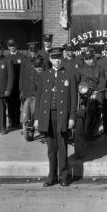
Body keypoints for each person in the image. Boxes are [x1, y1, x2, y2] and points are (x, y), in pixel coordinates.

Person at [34, 47, 77, 187]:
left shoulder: (69, 74)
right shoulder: (45, 75)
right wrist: (36, 118)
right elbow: (39, 98)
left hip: (62, 115)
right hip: (47, 115)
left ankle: (64, 176)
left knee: (62, 146)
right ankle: (51, 177)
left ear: (61, 59)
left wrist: (72, 117)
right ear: (50, 59)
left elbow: (73, 98)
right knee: (51, 148)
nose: (57, 60)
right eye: (54, 58)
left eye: (59, 58)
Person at [76, 49, 106, 139]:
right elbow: (77, 82)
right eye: (87, 59)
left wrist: (97, 91)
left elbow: (102, 82)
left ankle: (94, 131)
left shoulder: (100, 69)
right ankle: (82, 129)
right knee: (82, 111)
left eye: (91, 58)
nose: (89, 61)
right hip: (84, 93)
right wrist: (80, 90)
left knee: (97, 110)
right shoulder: (80, 70)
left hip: (96, 92)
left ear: (94, 58)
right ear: (84, 60)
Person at [5, 38, 26, 129]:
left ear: (16, 45)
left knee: (17, 104)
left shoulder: (22, 56)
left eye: (13, 45)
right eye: (10, 46)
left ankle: (17, 122)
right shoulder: (6, 57)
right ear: (8, 47)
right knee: (10, 104)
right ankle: (11, 122)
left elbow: (25, 71)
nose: (12, 47)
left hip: (18, 84)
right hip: (9, 86)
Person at [21, 57, 43, 139]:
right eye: (37, 66)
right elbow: (28, 88)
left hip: (43, 98)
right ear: (33, 67)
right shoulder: (31, 76)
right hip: (33, 97)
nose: (39, 68)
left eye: (40, 66)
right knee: (28, 104)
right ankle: (28, 124)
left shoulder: (46, 75)